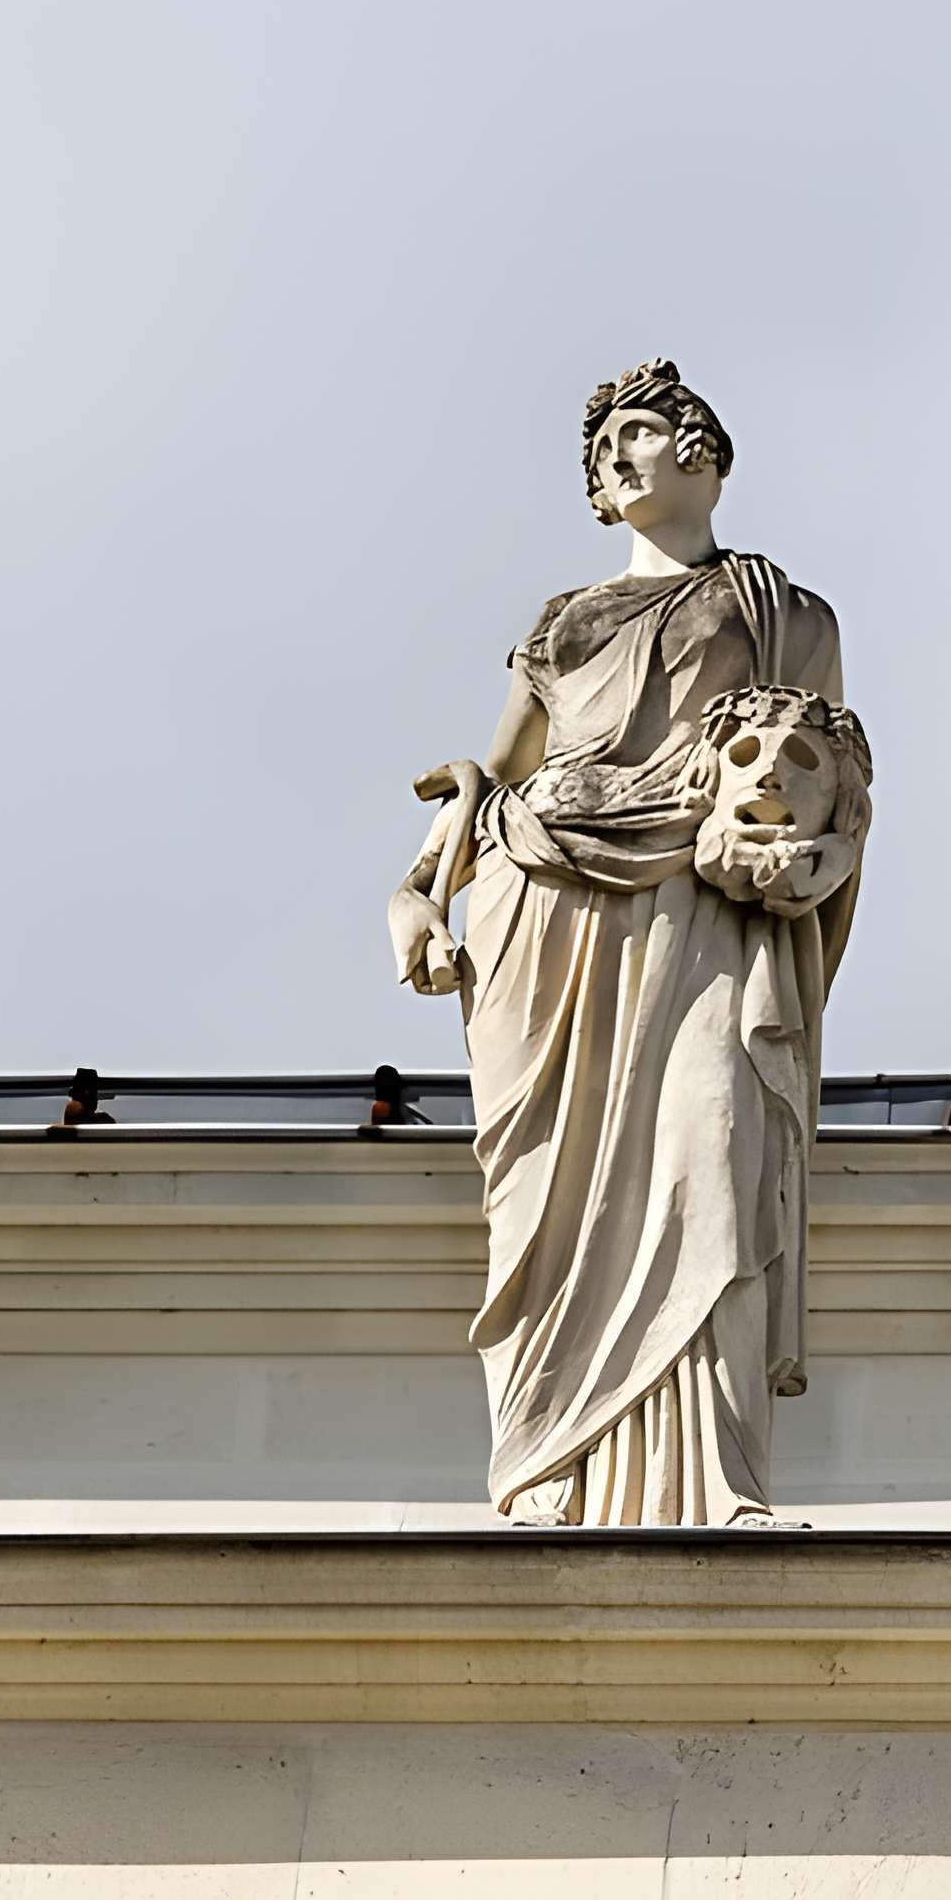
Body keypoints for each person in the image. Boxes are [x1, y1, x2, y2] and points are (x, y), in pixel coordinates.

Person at [387, 360, 870, 1526]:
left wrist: (796, 852)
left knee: (710, 1146)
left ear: (702, 453)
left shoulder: (784, 617)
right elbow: (491, 779)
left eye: (643, 433)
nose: (619, 458)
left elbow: (828, 781)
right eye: (603, 451)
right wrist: (415, 896)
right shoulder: (563, 624)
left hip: (705, 911)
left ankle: (710, 1474)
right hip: (543, 912)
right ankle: (547, 1461)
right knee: (549, 1196)